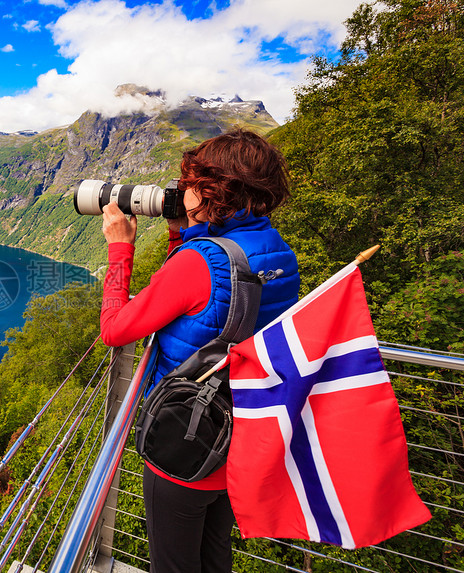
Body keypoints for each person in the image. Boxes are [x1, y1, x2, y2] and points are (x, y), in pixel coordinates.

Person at [99, 129, 300, 573]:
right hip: (238, 434)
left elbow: (115, 330)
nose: (180, 190)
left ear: (214, 189)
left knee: (172, 565)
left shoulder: (199, 261)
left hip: (187, 441)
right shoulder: (278, 252)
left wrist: (120, 249)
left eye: (189, 182)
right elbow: (206, 304)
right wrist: (180, 236)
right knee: (214, 555)